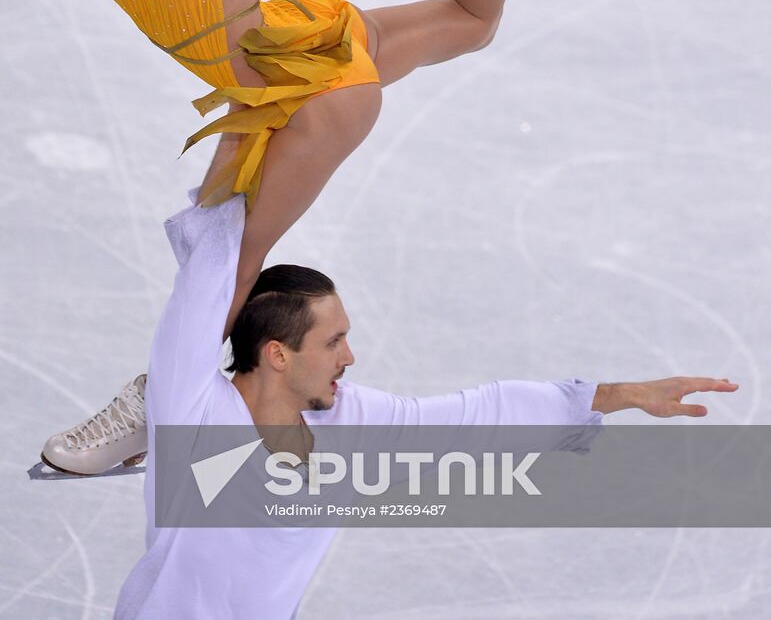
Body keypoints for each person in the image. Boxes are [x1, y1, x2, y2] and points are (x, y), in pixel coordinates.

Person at [43, 0, 557, 473]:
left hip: (310, 93)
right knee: (469, 22)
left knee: (230, 257)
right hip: (294, 54)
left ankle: (151, 412)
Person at [108, 191, 738, 619]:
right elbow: (216, 258)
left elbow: (478, 418)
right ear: (277, 354)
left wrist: (621, 396)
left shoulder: (346, 424)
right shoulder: (195, 409)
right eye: (333, 342)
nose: (349, 357)